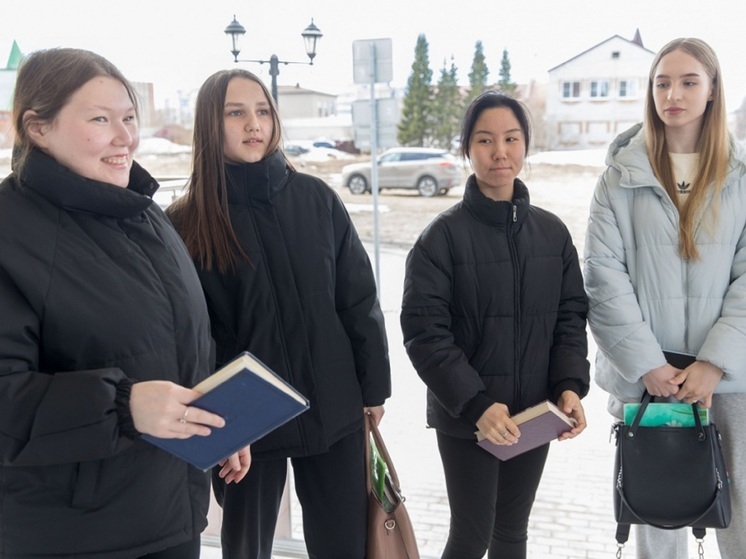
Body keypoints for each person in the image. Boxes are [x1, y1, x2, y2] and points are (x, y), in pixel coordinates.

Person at [0, 48, 251, 559]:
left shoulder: (145, 217)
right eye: (100, 119)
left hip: (171, 517)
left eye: (129, 118)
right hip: (73, 538)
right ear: (36, 128)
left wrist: (211, 418)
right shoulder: (9, 235)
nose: (125, 137)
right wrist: (122, 405)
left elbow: (178, 343)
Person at [166, 68, 391, 559]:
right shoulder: (183, 223)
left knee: (345, 544)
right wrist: (213, 422)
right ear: (210, 124)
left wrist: (373, 389)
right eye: (236, 112)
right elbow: (186, 336)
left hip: (331, 405)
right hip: (244, 422)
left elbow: (357, 301)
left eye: (263, 111)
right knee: (246, 548)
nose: (254, 124)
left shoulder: (316, 199)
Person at [400, 91, 590, 559]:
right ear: (468, 148)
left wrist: (569, 386)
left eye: (511, 138)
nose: (499, 152)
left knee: (512, 532)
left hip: (532, 414)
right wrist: (477, 404)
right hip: (471, 419)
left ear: (525, 145)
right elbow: (425, 334)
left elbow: (570, 317)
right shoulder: (440, 239)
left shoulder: (552, 234)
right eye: (485, 140)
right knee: (472, 534)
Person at [584, 37, 746, 559]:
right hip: (651, 381)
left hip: (731, 381)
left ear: (713, 89)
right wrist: (649, 366)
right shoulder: (618, 179)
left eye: (688, 81)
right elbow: (603, 279)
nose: (672, 93)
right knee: (658, 515)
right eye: (662, 82)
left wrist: (714, 364)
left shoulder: (741, 178)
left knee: (739, 511)